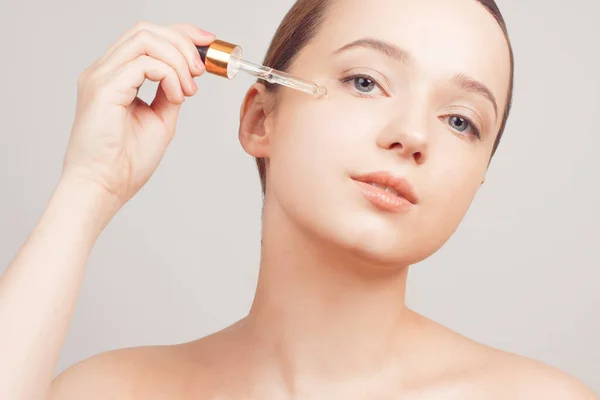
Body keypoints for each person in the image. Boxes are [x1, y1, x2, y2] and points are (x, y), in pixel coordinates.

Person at [0, 0, 597, 398]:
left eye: (461, 121)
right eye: (366, 81)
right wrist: (89, 186)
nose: (413, 135)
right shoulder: (109, 392)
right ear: (261, 117)